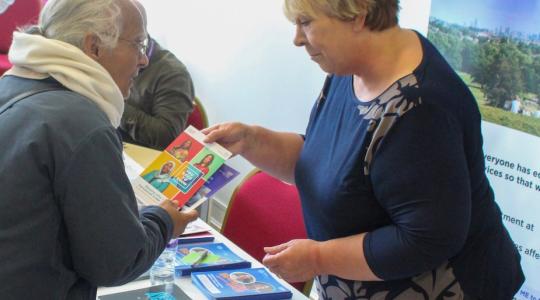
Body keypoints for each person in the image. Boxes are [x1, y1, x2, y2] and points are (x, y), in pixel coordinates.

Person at [203, 0, 525, 299]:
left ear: (357, 13)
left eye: (306, 23)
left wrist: (317, 257)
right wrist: (251, 140)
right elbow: (324, 163)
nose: (297, 39)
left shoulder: (421, 109)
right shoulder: (350, 66)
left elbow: (425, 239)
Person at [0, 0, 198, 299]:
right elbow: (116, 262)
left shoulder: (11, 84)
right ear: (94, 47)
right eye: (138, 44)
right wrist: (164, 221)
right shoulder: (82, 125)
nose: (143, 59)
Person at [118, 0, 195, 150]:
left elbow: (167, 137)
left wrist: (112, 102)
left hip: (138, 161)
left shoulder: (173, 73)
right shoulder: (104, 57)